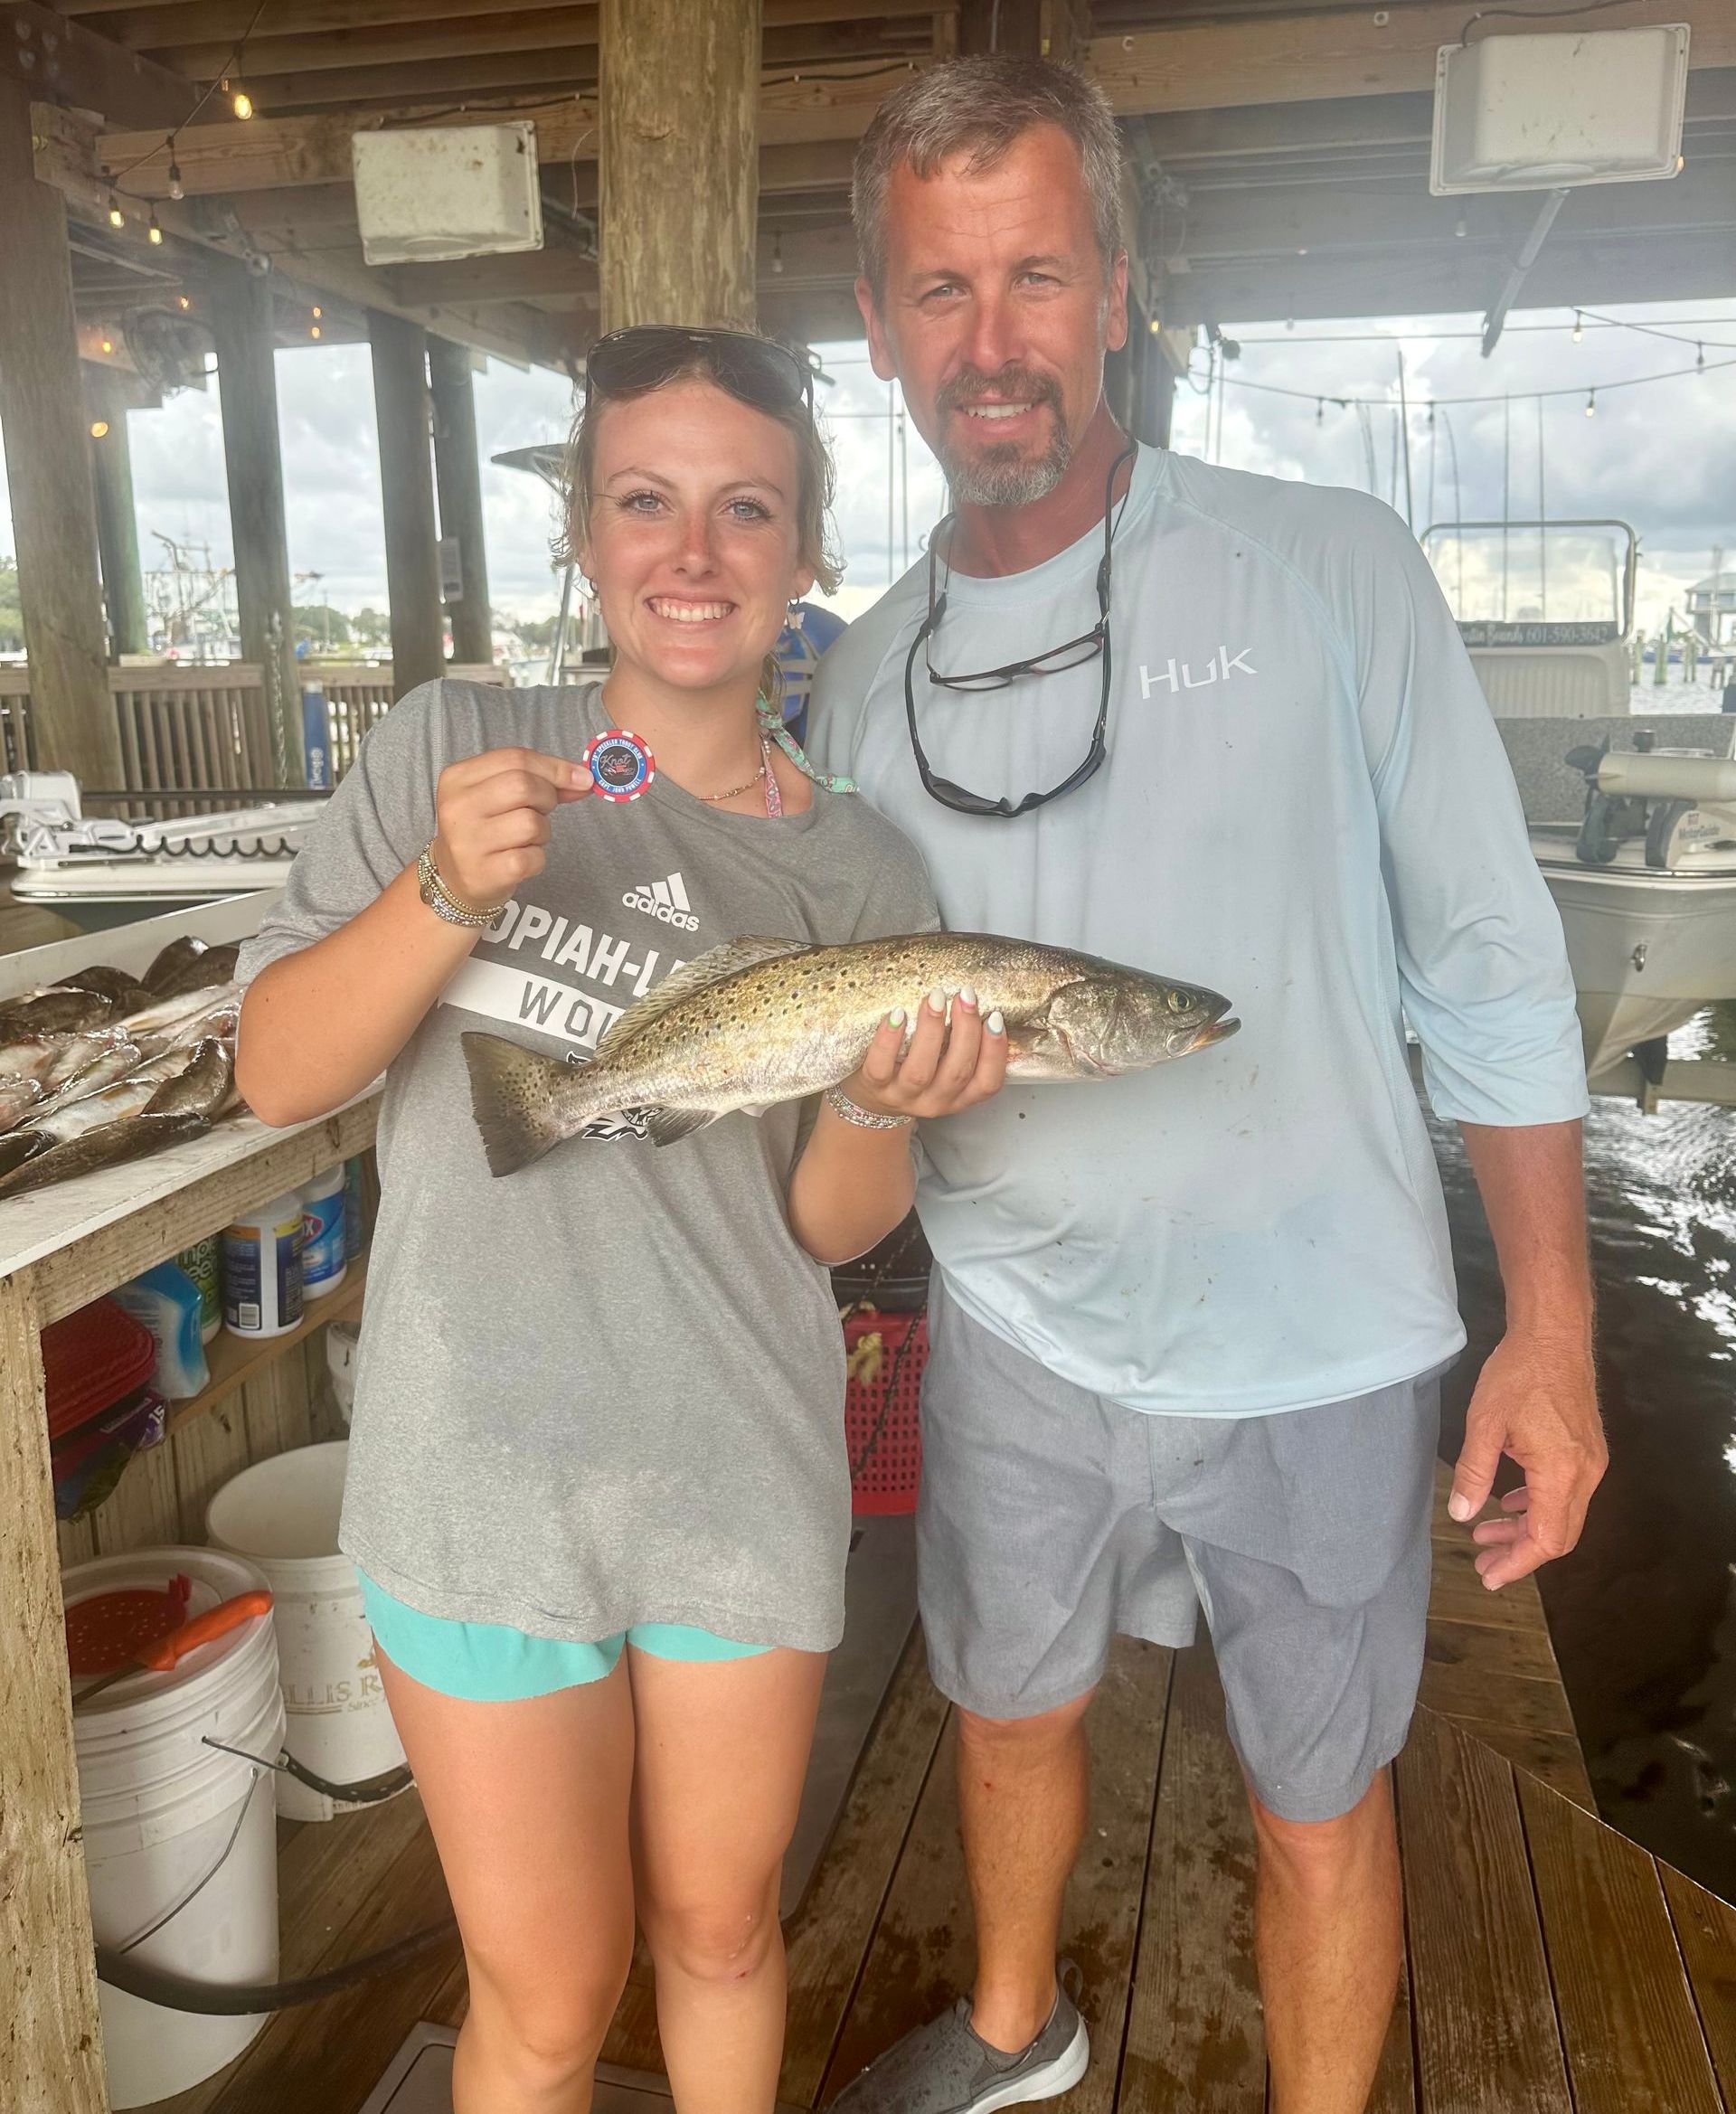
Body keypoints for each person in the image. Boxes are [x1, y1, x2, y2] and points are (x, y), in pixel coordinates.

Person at [811, 57, 1605, 2114]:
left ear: (1122, 291)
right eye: (940, 292)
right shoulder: (863, 668)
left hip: (1324, 1325)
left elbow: (1497, 965)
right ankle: (1015, 2028)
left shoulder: (1332, 568)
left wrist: (1556, 1327)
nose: (992, 344)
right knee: (998, 1707)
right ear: (881, 324)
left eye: (1037, 278)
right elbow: (829, 1026)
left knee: (1318, 1794)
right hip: (1015, 1317)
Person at [234, 326, 1005, 2114]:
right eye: (646, 501)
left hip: (734, 1464)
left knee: (724, 1931)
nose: (693, 551)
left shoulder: (858, 865)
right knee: (551, 1991)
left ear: (805, 552)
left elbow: (824, 1225)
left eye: (747, 509)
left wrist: (884, 1103)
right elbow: (280, 1071)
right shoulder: (455, 745)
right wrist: (438, 890)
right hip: (473, 1465)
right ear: (584, 531)